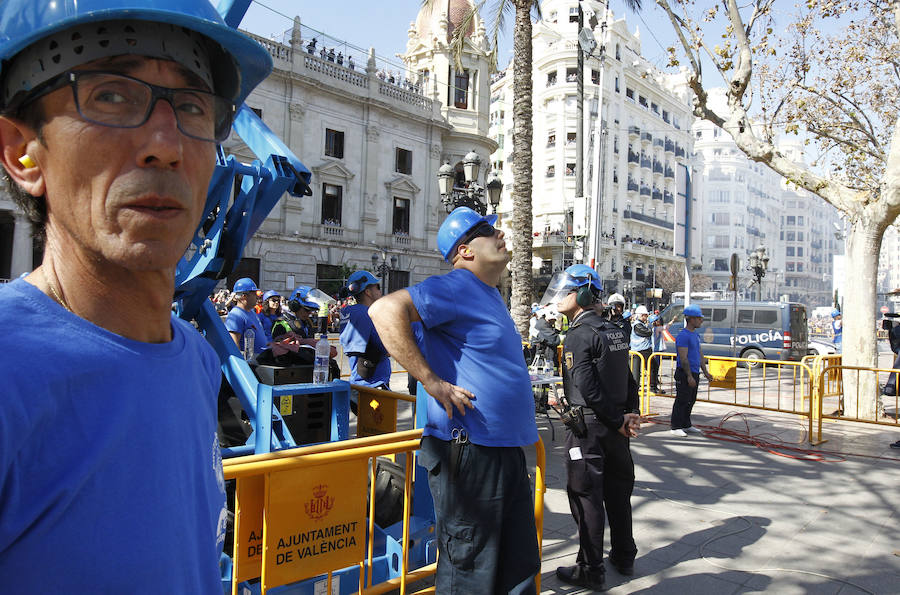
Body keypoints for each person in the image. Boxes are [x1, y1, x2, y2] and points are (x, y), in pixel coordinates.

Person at [0, 0, 272, 589]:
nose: (166, 145)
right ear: (22, 151)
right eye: (112, 96)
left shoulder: (196, 360)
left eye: (194, 107)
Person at [369, 206, 540, 594]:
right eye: (488, 230)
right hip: (471, 453)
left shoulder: (489, 294)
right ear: (465, 250)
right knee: (471, 571)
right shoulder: (456, 285)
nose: (500, 234)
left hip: (502, 450)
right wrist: (431, 381)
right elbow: (384, 309)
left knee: (516, 566)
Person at [541, 264, 640, 592]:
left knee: (586, 497)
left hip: (591, 428)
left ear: (582, 294)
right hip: (616, 428)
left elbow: (587, 384)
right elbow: (628, 379)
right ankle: (624, 556)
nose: (559, 298)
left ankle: (591, 568)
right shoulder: (613, 330)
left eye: (566, 291)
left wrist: (616, 418)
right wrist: (629, 415)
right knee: (618, 494)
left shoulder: (579, 334)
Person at [340, 270, 391, 389]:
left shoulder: (348, 312)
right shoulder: (369, 315)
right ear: (367, 292)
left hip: (356, 382)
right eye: (377, 287)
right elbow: (388, 349)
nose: (380, 291)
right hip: (375, 384)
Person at [671, 304, 713, 436]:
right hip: (684, 373)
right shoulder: (684, 336)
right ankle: (676, 426)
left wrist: (705, 372)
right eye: (699, 318)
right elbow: (683, 358)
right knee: (682, 400)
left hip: (694, 372)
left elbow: (699, 354)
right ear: (691, 319)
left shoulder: (695, 335)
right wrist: (689, 376)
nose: (701, 321)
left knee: (691, 400)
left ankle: (686, 424)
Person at [225, 277, 268, 358]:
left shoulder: (252, 312)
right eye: (254, 293)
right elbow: (234, 344)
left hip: (261, 361)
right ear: (244, 296)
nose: (257, 296)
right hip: (251, 365)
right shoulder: (236, 315)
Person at [630, 305, 652, 385]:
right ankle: (650, 386)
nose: (647, 317)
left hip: (642, 349)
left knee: (651, 368)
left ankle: (652, 385)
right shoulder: (638, 325)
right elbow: (647, 333)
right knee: (637, 370)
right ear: (642, 315)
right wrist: (650, 328)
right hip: (640, 350)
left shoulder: (641, 324)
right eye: (646, 315)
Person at [649, 313, 666, 393]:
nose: (658, 321)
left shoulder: (654, 328)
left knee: (656, 368)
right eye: (657, 320)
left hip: (657, 350)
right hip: (655, 351)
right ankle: (653, 385)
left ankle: (655, 382)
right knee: (654, 368)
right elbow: (666, 327)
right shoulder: (655, 329)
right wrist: (673, 320)